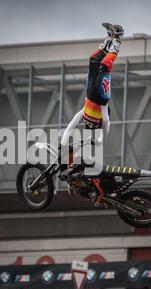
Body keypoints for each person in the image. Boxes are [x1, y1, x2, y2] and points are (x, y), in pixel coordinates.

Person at [59, 23, 124, 177]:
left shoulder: (84, 114)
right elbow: (107, 122)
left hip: (91, 92)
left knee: (93, 60)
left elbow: (73, 123)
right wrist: (102, 138)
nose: (88, 123)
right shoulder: (101, 117)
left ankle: (110, 38)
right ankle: (117, 39)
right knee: (105, 65)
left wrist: (64, 140)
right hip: (100, 96)